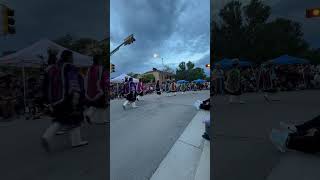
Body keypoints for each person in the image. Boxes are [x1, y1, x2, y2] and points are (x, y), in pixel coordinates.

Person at [41, 50, 88, 152]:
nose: (73, 58)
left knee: (60, 119)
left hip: (56, 99)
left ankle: (47, 136)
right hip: (69, 97)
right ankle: (76, 141)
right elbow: (73, 83)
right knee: (75, 118)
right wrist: (76, 98)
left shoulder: (55, 68)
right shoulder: (70, 67)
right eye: (72, 56)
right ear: (69, 57)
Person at [84, 54, 107, 124]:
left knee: (94, 104)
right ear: (99, 60)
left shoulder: (90, 68)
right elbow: (101, 78)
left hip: (91, 89)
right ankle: (102, 120)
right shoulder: (100, 68)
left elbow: (86, 78)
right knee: (102, 106)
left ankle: (89, 115)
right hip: (100, 88)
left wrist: (86, 90)